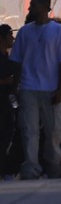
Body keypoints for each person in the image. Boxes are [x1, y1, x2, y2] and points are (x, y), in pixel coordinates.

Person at [10, 0, 61, 179]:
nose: (30, 8)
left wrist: (60, 89)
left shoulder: (58, 31)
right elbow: (17, 61)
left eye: (33, 4)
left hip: (51, 89)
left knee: (54, 131)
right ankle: (31, 168)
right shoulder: (25, 32)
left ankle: (54, 168)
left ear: (45, 7)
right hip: (28, 88)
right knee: (29, 130)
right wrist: (16, 86)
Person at [0, 24, 16, 177]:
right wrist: (7, 81)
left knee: (6, 134)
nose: (12, 38)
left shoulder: (8, 56)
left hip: (6, 101)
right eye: (10, 35)